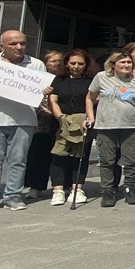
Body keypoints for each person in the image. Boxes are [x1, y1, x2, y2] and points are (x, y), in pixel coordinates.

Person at [0, 30, 51, 213]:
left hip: (24, 119)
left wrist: (43, 92)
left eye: (22, 43)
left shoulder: (36, 64)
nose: (19, 47)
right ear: (1, 46)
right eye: (13, 44)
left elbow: (40, 93)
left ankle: (13, 196)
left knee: (18, 160)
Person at [86, 51, 135, 207]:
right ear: (113, 64)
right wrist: (90, 117)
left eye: (129, 62)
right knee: (107, 161)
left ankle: (130, 188)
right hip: (106, 125)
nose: (127, 65)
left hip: (132, 125)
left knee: (131, 160)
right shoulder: (101, 77)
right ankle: (107, 191)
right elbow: (89, 98)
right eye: (122, 62)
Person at [48, 50, 92, 205]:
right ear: (66, 64)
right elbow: (53, 100)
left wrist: (88, 119)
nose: (76, 67)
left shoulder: (90, 81)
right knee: (59, 155)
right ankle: (58, 190)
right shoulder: (59, 80)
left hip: (82, 122)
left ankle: (77, 189)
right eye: (73, 63)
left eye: (80, 64)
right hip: (62, 121)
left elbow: (92, 101)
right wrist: (60, 117)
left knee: (80, 155)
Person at [23, 49, 64, 198]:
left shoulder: (65, 79)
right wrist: (54, 114)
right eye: (53, 61)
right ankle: (35, 187)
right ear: (45, 63)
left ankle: (60, 187)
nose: (57, 63)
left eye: (60, 60)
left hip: (61, 126)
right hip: (41, 126)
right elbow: (36, 104)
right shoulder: (39, 80)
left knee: (60, 158)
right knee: (38, 157)